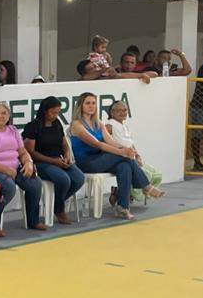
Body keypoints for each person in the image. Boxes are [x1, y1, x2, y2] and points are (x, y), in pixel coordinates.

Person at [69, 92, 162, 220]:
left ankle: (123, 207)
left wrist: (126, 150)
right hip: (86, 162)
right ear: (81, 105)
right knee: (124, 157)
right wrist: (122, 152)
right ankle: (146, 186)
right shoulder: (77, 124)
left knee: (124, 166)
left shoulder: (98, 123)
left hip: (101, 158)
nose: (91, 106)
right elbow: (98, 144)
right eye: (88, 103)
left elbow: (111, 142)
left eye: (94, 103)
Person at [0, 102, 45, 234]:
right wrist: (6, 170)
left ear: (9, 116)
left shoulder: (12, 130)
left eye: (4, 113)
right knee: (8, 187)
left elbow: (22, 152)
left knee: (35, 183)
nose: (0, 116)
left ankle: (33, 220)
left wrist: (28, 162)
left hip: (14, 167)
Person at [22, 96, 84, 224]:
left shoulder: (57, 123)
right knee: (63, 179)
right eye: (53, 112)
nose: (56, 115)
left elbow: (64, 144)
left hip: (58, 159)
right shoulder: (33, 126)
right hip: (41, 162)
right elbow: (31, 152)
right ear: (45, 111)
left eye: (58, 112)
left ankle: (55, 203)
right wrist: (52, 161)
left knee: (79, 178)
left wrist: (67, 156)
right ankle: (59, 210)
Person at [104, 99, 164, 204]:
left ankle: (122, 193)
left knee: (157, 174)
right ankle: (122, 194)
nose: (123, 113)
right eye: (119, 110)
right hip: (121, 158)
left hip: (132, 157)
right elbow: (105, 142)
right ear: (112, 112)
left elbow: (130, 143)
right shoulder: (109, 125)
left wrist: (138, 155)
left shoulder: (124, 126)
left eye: (125, 110)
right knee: (147, 175)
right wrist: (121, 151)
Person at [77, 58, 152, 84]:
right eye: (92, 68)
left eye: (96, 66)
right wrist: (105, 68)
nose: (96, 68)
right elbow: (86, 77)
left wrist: (141, 75)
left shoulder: (105, 76)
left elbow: (122, 75)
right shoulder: (83, 80)